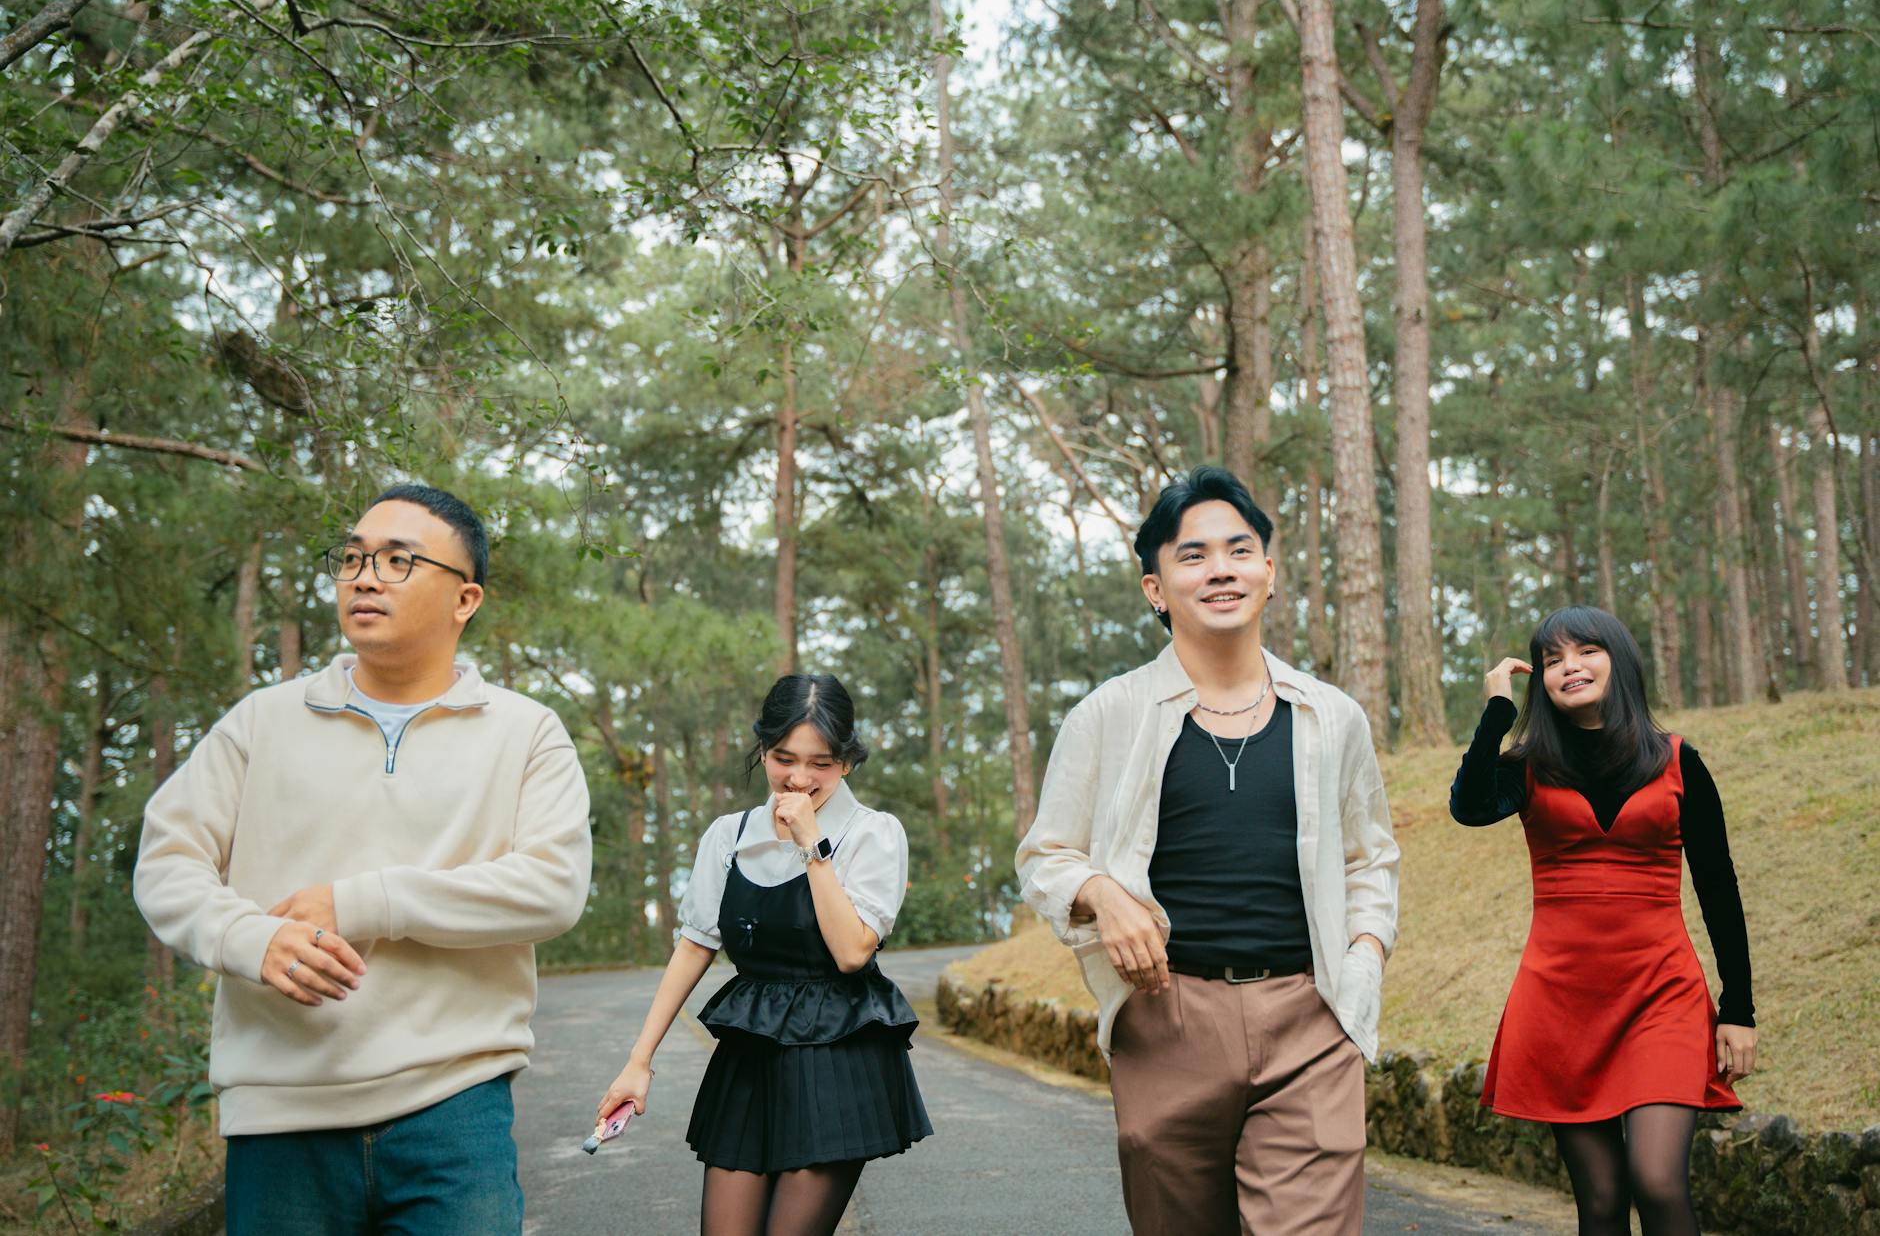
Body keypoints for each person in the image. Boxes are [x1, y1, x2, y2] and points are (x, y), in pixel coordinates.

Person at [134, 485, 593, 1235]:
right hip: (281, 1113)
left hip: (456, 1106)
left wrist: (365, 902)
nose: (364, 576)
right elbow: (167, 859)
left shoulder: (525, 732)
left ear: (464, 598)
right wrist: (248, 939)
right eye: (351, 557)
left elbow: (553, 887)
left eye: (397, 560)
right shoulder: (262, 721)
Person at [1016, 466, 1400, 1236]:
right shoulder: (1108, 714)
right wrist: (1103, 891)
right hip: (1167, 1016)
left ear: (1268, 570)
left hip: (1310, 1014)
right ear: (1155, 587)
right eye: (1192, 555)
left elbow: (1370, 859)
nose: (1220, 568)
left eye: (1239, 549)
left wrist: (1362, 959)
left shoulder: (1331, 716)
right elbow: (1046, 855)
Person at [1450, 605, 1756, 1236]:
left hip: (1660, 995)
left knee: (1659, 1179)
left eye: (1586, 651)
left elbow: (1718, 887)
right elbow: (1470, 807)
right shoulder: (1528, 766)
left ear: (1618, 658)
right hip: (1562, 1002)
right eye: (1552, 660)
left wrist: (1739, 1008)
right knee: (1603, 1201)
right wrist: (1497, 715)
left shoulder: (1677, 760)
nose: (1570, 668)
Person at [597, 674, 930, 1236]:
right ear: (762, 750)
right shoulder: (729, 836)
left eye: (820, 763)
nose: (799, 778)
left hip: (838, 1058)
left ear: (847, 761)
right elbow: (695, 945)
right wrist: (638, 1061)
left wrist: (811, 846)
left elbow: (851, 952)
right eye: (783, 758)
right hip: (749, 1061)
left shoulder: (876, 834)